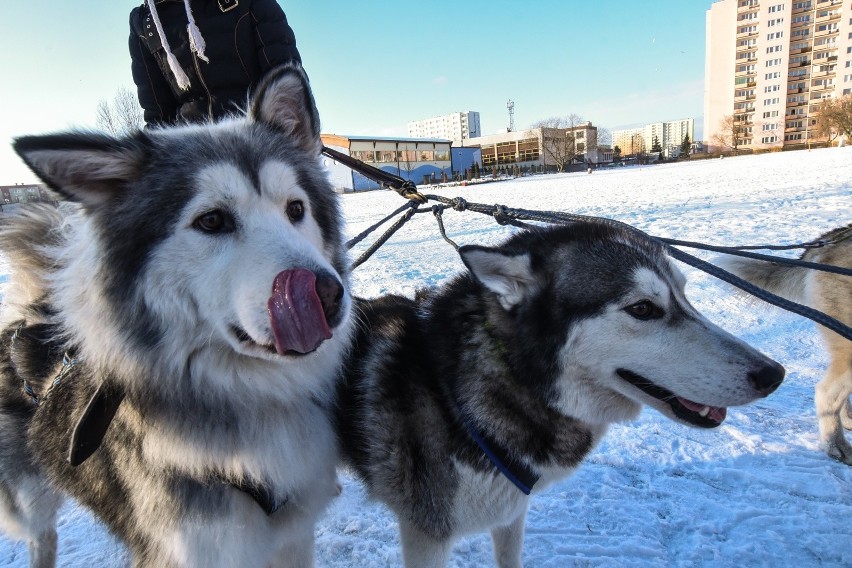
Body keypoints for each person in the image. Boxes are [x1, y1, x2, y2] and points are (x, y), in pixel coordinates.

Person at [129, 0, 302, 127]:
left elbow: (286, 82)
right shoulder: (144, 23)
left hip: (257, 142)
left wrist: (299, 143)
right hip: (193, 154)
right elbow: (158, 118)